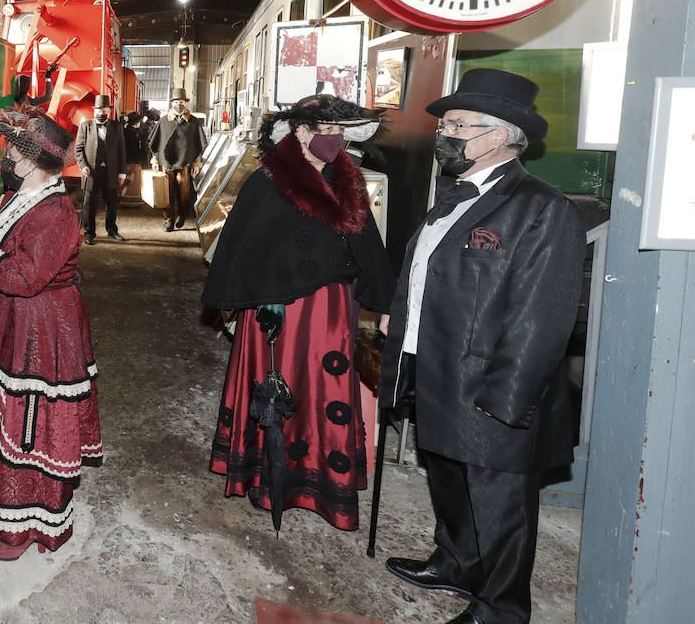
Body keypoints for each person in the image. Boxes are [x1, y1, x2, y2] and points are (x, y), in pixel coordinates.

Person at [379, 69, 585, 624]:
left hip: (491, 386)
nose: (443, 134)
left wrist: (507, 401)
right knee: (447, 478)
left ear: (499, 136)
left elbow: (542, 318)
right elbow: (430, 275)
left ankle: (500, 608)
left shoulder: (541, 209)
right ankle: (457, 563)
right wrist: (398, 329)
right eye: (444, 124)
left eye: (456, 126)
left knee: (499, 504)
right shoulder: (454, 196)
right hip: (436, 368)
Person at [201, 95, 394, 531]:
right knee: (278, 387)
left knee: (324, 387)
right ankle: (268, 478)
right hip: (280, 308)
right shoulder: (268, 181)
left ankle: (323, 479)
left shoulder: (349, 181)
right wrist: (257, 294)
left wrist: (384, 302)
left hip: (331, 309)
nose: (336, 141)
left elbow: (368, 243)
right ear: (301, 132)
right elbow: (245, 247)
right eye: (327, 131)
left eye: (341, 133)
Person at [0, 106, 102, 559]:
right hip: (18, 322)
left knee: (33, 421)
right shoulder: (20, 196)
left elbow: (23, 277)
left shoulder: (56, 210)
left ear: (26, 160)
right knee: (7, 412)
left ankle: (31, 523)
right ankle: (4, 508)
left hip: (42, 328)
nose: (2, 156)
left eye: (8, 149)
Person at [74, 95, 126, 244]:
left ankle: (112, 230)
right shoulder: (85, 126)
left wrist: (122, 173)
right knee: (90, 204)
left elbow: (121, 151)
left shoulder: (117, 127)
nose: (101, 113)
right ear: (94, 111)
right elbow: (78, 149)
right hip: (91, 173)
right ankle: (89, 233)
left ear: (108, 111)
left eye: (104, 110)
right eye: (99, 110)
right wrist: (83, 166)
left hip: (111, 173)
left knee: (112, 204)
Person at [151, 88, 205, 231]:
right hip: (166, 162)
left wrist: (197, 163)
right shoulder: (164, 121)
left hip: (185, 162)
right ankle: (169, 219)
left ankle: (182, 215)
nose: (178, 104)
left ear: (186, 103)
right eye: (175, 102)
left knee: (185, 192)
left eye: (181, 102)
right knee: (166, 192)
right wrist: (155, 160)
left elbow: (198, 145)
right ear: (171, 104)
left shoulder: (193, 122)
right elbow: (156, 143)